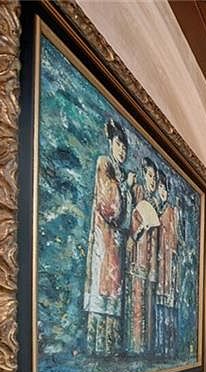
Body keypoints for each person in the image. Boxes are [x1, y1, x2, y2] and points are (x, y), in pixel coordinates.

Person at [83, 119, 132, 355]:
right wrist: (124, 187)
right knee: (102, 287)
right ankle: (95, 347)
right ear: (111, 144)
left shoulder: (120, 173)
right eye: (118, 144)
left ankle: (109, 347)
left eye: (124, 147)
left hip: (117, 241)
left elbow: (127, 217)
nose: (121, 150)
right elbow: (109, 205)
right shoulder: (105, 164)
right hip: (104, 237)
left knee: (114, 289)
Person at [126, 157, 161, 355]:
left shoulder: (155, 201)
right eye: (150, 176)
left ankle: (146, 346)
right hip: (138, 254)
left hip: (149, 259)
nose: (152, 181)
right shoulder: (138, 192)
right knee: (136, 297)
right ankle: (135, 346)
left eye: (154, 177)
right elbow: (133, 220)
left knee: (148, 299)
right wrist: (140, 230)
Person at [154, 177, 180, 357]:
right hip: (158, 264)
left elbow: (176, 240)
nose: (162, 192)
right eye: (160, 188)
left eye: (165, 189)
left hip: (169, 264)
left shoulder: (172, 212)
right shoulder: (156, 208)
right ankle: (159, 346)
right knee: (158, 305)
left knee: (169, 305)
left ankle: (169, 347)